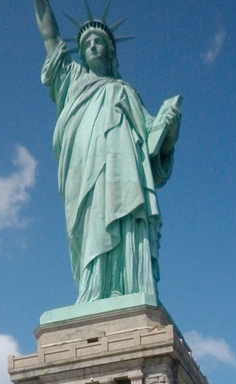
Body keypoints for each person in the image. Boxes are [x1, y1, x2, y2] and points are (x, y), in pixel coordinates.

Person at [33, 0, 182, 303]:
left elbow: (152, 147)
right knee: (89, 227)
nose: (92, 46)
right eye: (86, 43)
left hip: (122, 173)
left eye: (98, 42)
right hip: (82, 169)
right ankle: (93, 291)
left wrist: (169, 127)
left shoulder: (126, 92)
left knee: (125, 214)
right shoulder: (72, 81)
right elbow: (50, 37)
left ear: (110, 52)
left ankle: (129, 286)